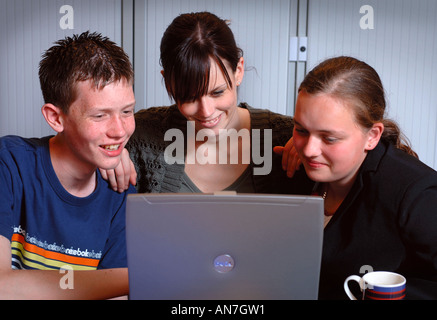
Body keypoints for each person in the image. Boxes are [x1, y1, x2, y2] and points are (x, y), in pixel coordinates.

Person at [276, 56, 437, 299]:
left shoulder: (417, 194)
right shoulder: (296, 168)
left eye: (329, 138)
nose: (309, 149)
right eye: (301, 130)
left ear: (372, 136)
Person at [104, 11, 309, 195]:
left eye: (217, 92)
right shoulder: (141, 138)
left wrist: (309, 147)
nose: (206, 111)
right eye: (190, 97)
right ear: (168, 82)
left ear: (238, 71)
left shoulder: (285, 138)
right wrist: (108, 155)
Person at [0, 31, 136, 299]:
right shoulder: (9, 163)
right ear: (55, 118)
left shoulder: (120, 191)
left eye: (127, 111)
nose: (119, 131)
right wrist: (131, 279)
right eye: (100, 115)